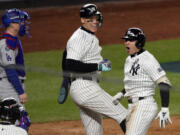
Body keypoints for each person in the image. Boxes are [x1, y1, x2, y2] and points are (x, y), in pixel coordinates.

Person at [62, 3, 128, 135]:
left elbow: (65, 56)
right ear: (82, 20)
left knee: (94, 131)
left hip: (85, 87)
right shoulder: (79, 37)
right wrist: (98, 66)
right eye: (90, 19)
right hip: (85, 88)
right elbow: (70, 64)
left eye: (96, 18)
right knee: (125, 116)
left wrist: (65, 79)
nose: (94, 22)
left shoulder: (86, 36)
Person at [112, 27, 172, 135]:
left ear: (139, 42)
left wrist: (165, 108)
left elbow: (164, 83)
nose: (127, 43)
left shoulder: (147, 59)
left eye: (130, 40)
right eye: (126, 40)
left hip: (144, 106)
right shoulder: (129, 59)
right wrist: (121, 94)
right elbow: (134, 82)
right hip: (133, 106)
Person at [0, 8, 31, 131]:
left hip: (11, 83)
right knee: (18, 121)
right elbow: (10, 70)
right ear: (12, 24)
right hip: (8, 85)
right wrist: (20, 91)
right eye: (20, 21)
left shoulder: (12, 40)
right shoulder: (7, 43)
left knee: (21, 121)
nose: (23, 24)